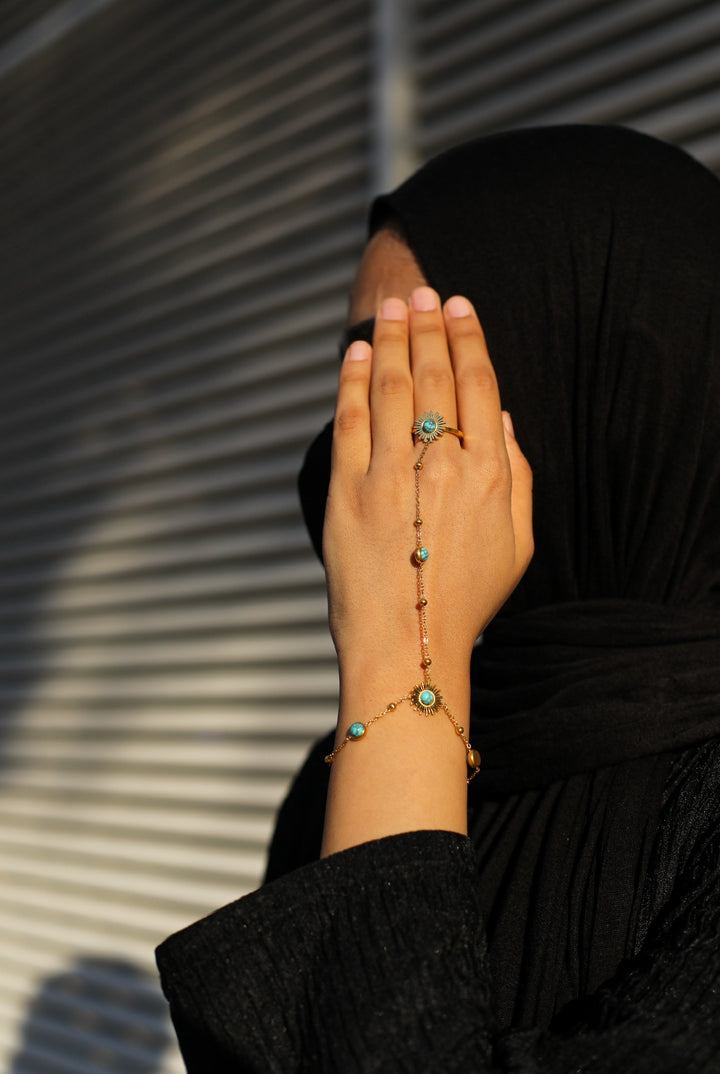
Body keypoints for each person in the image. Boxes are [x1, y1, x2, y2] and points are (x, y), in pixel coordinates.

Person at [156, 126, 720, 1072]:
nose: (374, 440)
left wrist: (396, 653)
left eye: (432, 371)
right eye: (361, 371)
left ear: (607, 386)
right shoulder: (347, 775)